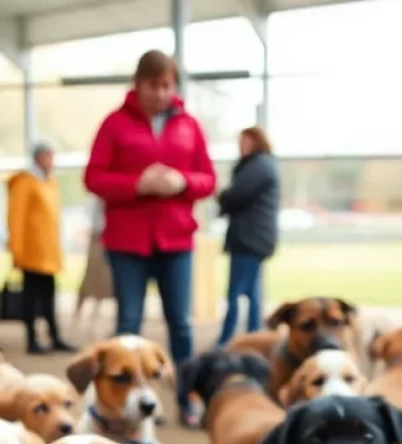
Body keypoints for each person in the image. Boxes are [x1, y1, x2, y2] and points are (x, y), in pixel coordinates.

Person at [85, 49, 217, 421]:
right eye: (152, 85)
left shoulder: (188, 124)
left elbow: (208, 179)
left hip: (175, 240)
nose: (160, 93)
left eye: (166, 85)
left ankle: (186, 399)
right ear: (138, 84)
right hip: (127, 242)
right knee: (129, 321)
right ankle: (123, 402)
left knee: (181, 322)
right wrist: (137, 184)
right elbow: (94, 177)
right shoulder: (114, 124)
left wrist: (182, 181)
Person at [216, 125, 279, 345]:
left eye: (245, 141)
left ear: (256, 142)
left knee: (235, 294)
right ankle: (255, 337)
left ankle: (225, 340)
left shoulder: (258, 165)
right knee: (252, 295)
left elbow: (235, 195)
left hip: (249, 240)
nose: (241, 146)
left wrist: (222, 196)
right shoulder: (262, 165)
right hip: (253, 238)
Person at [8, 141, 72, 354]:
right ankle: (32, 339)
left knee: (49, 295)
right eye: (49, 156)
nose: (52, 161)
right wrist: (16, 249)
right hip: (31, 251)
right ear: (39, 157)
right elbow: (16, 217)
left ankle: (55, 336)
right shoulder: (26, 182)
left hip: (48, 251)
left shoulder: (49, 181)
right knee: (31, 297)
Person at [73, 197, 113, 341]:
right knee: (90, 284)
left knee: (103, 286)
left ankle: (93, 323)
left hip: (109, 237)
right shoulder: (99, 199)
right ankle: (77, 320)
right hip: (100, 238)